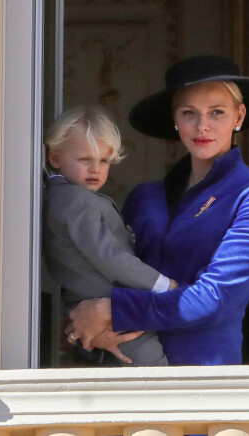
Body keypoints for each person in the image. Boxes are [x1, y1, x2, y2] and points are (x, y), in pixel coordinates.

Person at [64, 55, 249, 366]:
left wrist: (112, 310)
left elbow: (214, 300)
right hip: (124, 370)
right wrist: (86, 327)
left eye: (217, 112)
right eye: (188, 113)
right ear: (175, 119)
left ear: (239, 116)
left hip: (201, 378)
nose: (202, 125)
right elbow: (95, 271)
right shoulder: (144, 197)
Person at [43, 107, 176, 366]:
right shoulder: (74, 201)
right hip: (107, 309)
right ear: (55, 158)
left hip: (89, 306)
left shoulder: (67, 198)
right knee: (154, 369)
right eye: (85, 159)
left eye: (103, 161)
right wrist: (162, 285)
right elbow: (109, 257)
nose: (96, 169)